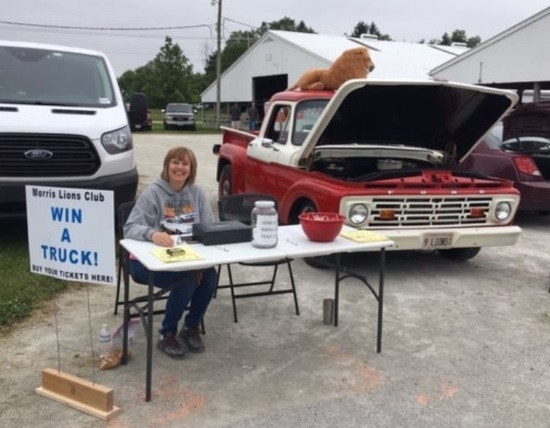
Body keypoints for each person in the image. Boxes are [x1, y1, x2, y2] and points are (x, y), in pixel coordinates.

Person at [123, 146, 218, 359]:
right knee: (187, 280)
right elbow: (129, 228)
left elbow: (209, 228)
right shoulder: (153, 192)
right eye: (175, 162)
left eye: (185, 163)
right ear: (167, 165)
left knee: (210, 277)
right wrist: (152, 234)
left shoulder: (197, 193)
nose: (180, 167)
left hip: (187, 259)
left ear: (191, 169)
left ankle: (191, 327)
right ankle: (167, 334)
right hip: (145, 263)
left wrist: (199, 263)